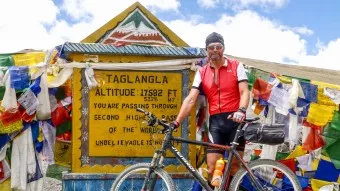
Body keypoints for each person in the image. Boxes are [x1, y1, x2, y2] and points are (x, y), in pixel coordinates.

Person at [171, 32, 250, 184]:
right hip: (216, 123)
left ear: (223, 48)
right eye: (211, 47)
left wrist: (241, 110)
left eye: (218, 46)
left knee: (234, 167)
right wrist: (176, 122)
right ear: (206, 50)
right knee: (212, 168)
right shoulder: (202, 72)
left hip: (236, 120)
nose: (215, 50)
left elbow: (244, 91)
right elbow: (191, 99)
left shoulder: (236, 66)